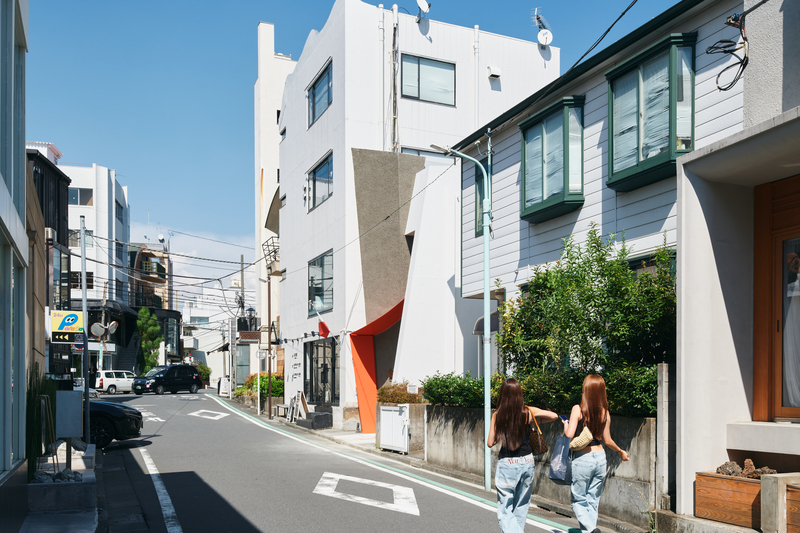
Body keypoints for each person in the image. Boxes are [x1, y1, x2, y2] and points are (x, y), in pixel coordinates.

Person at [487, 378, 559, 532]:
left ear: (503, 394)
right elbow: (554, 416)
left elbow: (490, 442)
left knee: (505, 508)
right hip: (527, 461)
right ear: (519, 394)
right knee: (521, 504)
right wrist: (535, 421)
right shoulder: (528, 411)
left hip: (507, 464)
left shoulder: (497, 415)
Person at [562, 374, 630, 533]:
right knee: (592, 500)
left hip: (583, 459)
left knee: (578, 500)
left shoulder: (577, 409)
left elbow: (568, 435)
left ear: (586, 389)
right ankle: (590, 531)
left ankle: (591, 529)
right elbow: (608, 440)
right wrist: (620, 451)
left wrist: (566, 426)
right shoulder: (605, 412)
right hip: (600, 459)